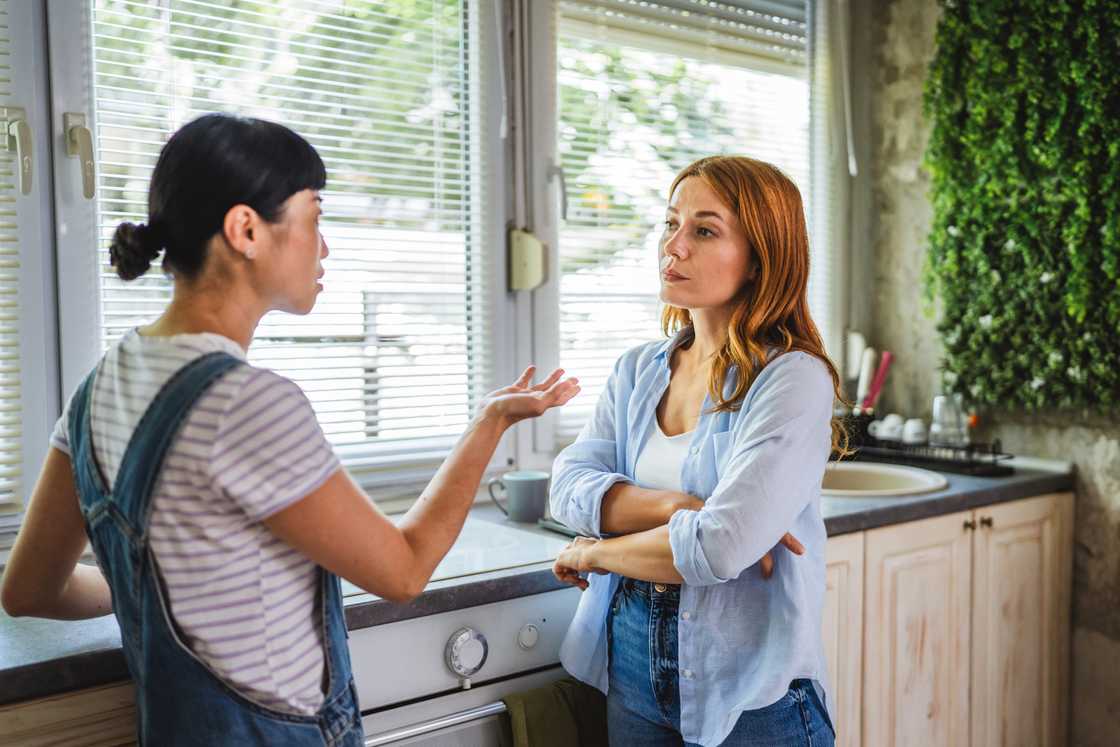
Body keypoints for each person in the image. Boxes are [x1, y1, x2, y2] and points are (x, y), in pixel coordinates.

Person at [0, 114, 578, 746]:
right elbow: (404, 571)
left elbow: (29, 589)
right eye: (314, 217)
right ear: (246, 229)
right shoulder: (246, 401)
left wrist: (163, 579)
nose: (323, 246)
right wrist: (489, 423)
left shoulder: (99, 385)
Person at [550, 155, 844, 746]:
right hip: (629, 663)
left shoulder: (791, 379)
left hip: (752, 687)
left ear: (761, 259)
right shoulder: (638, 370)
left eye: (704, 230)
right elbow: (567, 486)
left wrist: (594, 555)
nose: (672, 247)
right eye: (669, 224)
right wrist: (679, 506)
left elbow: (719, 548)